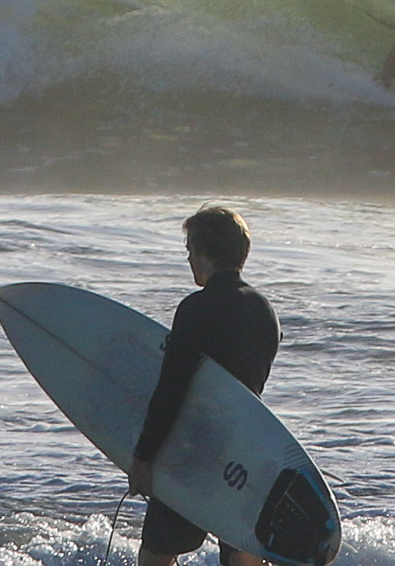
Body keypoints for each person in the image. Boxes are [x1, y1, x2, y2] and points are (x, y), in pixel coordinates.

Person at [129, 206, 282, 566]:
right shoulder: (265, 310)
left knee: (157, 553)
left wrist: (143, 457)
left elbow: (172, 389)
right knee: (241, 549)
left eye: (190, 251)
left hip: (194, 451)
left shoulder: (197, 308)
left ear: (204, 252)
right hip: (244, 452)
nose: (188, 259)